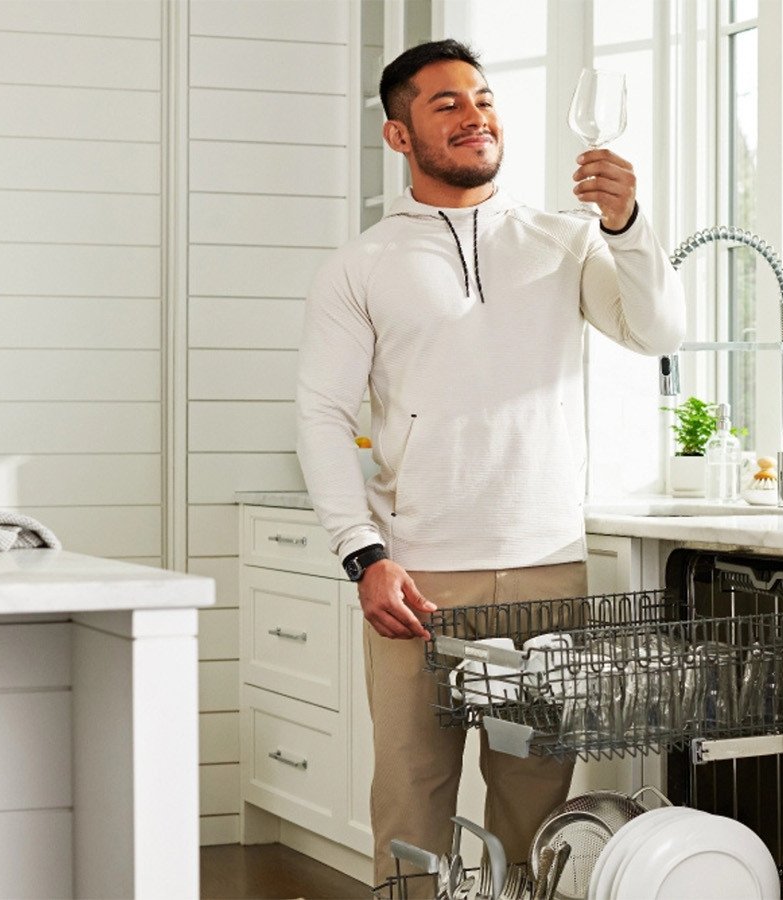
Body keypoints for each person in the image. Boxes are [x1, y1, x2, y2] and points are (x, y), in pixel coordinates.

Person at [295, 39, 684, 883]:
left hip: (547, 568)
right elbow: (322, 415)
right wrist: (362, 553)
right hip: (419, 579)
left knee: (537, 804)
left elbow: (657, 332)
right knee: (412, 794)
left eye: (484, 99)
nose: (477, 116)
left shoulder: (566, 240)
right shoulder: (360, 266)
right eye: (447, 105)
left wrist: (627, 224)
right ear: (399, 137)